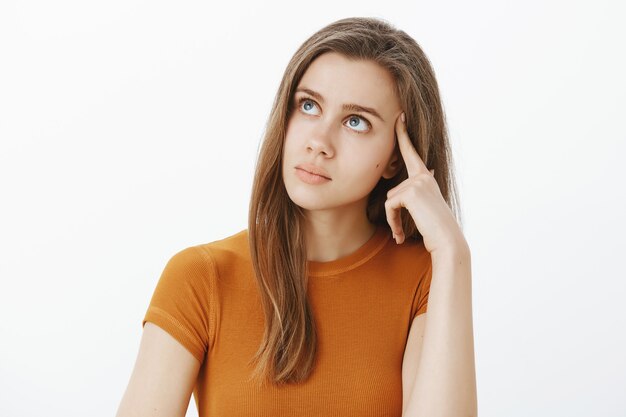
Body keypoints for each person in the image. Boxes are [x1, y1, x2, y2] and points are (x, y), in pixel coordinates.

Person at [116, 16, 477, 417]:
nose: (319, 142)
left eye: (355, 122)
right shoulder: (201, 278)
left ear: (396, 156)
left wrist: (452, 253)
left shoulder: (422, 278)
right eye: (308, 106)